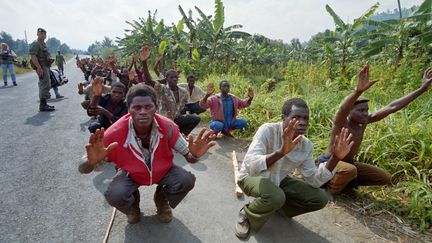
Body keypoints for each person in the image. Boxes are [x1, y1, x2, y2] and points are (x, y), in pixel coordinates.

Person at [79, 83, 216, 224]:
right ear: (129, 110)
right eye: (137, 107)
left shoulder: (168, 127)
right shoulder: (113, 133)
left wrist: (195, 155)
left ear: (156, 108)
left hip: (162, 170)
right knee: (115, 195)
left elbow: (190, 156)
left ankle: (161, 197)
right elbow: (82, 168)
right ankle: (133, 203)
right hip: (130, 174)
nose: (143, 112)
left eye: (148, 107)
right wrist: (90, 162)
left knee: (186, 180)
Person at [234, 98, 354, 239]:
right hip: (250, 177)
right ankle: (247, 215)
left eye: (305, 118)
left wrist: (335, 158)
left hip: (279, 180)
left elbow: (314, 180)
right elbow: (250, 165)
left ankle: (278, 208)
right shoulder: (268, 130)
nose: (302, 122)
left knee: (320, 198)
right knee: (276, 196)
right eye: (296, 117)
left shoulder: (305, 145)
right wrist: (280, 153)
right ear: (284, 118)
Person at [320, 65, 432, 197]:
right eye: (361, 110)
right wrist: (357, 91)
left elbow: (392, 106)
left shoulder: (365, 121)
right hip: (330, 163)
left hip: (348, 164)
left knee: (384, 178)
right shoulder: (341, 123)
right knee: (350, 170)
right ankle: (330, 191)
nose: (365, 113)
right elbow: (342, 110)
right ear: (350, 112)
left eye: (366, 110)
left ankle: (344, 183)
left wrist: (422, 89)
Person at [140, 46, 200, 136]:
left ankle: (181, 135)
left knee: (195, 118)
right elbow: (149, 79)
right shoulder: (162, 89)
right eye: (172, 77)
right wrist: (144, 62)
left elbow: (183, 107)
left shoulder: (183, 92)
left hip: (175, 118)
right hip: (162, 120)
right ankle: (171, 136)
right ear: (166, 79)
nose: (174, 79)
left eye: (176, 77)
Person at [29, 28, 55, 111]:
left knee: (47, 83)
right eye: (41, 33)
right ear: (37, 34)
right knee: (44, 83)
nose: (43, 35)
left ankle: (44, 103)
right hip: (41, 65)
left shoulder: (43, 43)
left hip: (46, 65)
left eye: (44, 34)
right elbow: (33, 56)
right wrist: (38, 67)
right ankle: (42, 105)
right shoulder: (36, 43)